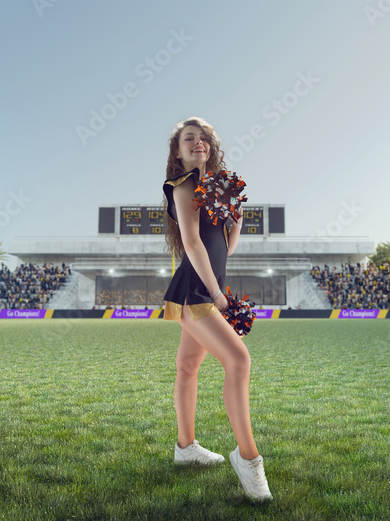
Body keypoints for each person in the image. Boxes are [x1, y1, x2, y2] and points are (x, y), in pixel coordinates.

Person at [160, 116, 271, 502]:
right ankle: (248, 458)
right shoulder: (183, 185)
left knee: (188, 368)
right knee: (239, 362)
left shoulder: (215, 190)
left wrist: (236, 221)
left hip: (208, 288)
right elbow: (192, 244)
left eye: (203, 138)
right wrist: (217, 295)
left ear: (212, 147)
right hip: (196, 292)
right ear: (178, 151)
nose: (198, 142)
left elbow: (223, 248)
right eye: (189, 138)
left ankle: (185, 448)